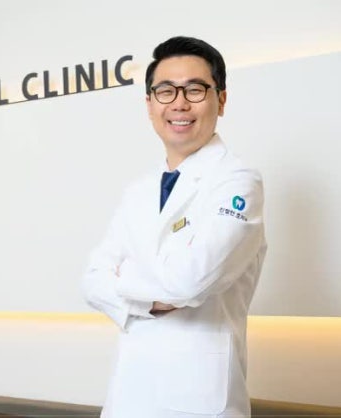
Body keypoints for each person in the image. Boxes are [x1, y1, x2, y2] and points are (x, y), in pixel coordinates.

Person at [81, 36, 268, 418]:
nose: (179, 103)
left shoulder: (238, 181)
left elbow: (188, 281)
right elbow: (92, 280)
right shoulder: (138, 190)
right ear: (150, 104)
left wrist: (126, 279)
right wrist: (157, 290)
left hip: (198, 400)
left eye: (195, 90)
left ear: (221, 100)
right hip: (130, 395)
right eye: (165, 91)